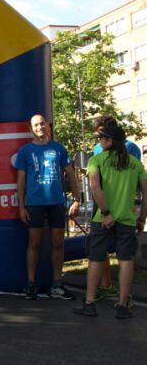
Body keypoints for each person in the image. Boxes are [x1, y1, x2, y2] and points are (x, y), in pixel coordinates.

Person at [74, 122, 146, 319]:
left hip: (103, 218)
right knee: (126, 260)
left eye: (101, 138)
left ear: (109, 140)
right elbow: (146, 192)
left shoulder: (96, 160)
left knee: (96, 258)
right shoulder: (135, 163)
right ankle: (123, 305)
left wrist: (106, 213)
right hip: (127, 219)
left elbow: (96, 189)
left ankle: (90, 303)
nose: (99, 141)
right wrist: (142, 218)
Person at [16, 114, 79, 300]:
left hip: (56, 203)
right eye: (36, 125)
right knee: (34, 243)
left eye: (42, 124)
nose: (40, 127)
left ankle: (57, 285)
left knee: (58, 243)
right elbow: (20, 181)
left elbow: (70, 174)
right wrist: (21, 206)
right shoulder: (25, 151)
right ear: (31, 129)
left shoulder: (58, 148)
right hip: (34, 203)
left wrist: (77, 199)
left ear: (47, 126)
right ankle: (31, 284)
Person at [90, 116, 141, 303]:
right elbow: (95, 181)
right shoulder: (98, 149)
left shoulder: (131, 148)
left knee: (125, 253)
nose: (99, 138)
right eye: (97, 135)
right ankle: (105, 285)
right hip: (101, 201)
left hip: (123, 203)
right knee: (98, 249)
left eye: (101, 134)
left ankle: (125, 295)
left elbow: (134, 176)